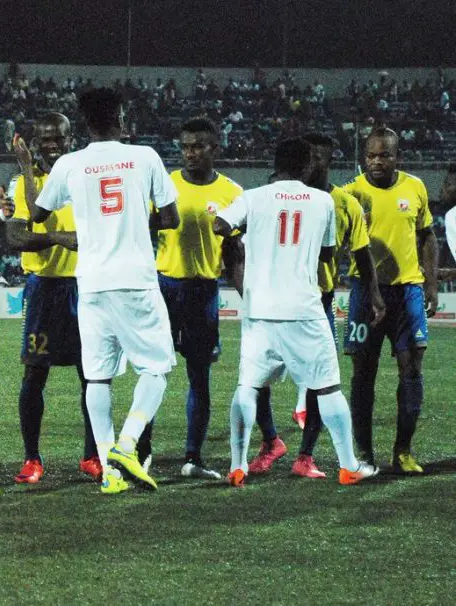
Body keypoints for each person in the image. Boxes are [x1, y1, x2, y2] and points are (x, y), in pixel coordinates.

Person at [32, 88, 180, 495]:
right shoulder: (145, 157)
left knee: (98, 378)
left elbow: (38, 213)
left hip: (91, 281)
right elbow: (171, 217)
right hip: (134, 278)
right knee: (156, 368)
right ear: (121, 118)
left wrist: (28, 170)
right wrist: (134, 219)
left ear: (84, 122)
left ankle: (110, 474)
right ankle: (127, 445)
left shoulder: (69, 163)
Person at [213, 137, 379, 487]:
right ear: (306, 165)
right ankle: (348, 466)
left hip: (260, 310)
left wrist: (248, 235)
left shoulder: (254, 197)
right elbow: (327, 253)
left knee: (248, 387)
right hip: (304, 309)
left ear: (276, 165)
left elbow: (219, 225)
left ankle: (237, 465)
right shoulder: (322, 201)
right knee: (328, 388)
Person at [136, 117, 243, 480]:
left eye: (198, 146)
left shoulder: (232, 192)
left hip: (203, 292)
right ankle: (142, 452)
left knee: (200, 377)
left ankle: (193, 458)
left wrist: (247, 294)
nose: (190, 153)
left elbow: (233, 253)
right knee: (153, 371)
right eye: (185, 147)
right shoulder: (165, 185)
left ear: (215, 148)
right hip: (164, 288)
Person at [6, 113, 100, 485]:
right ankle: (32, 459)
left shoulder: (85, 177)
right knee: (34, 373)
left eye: (58, 137)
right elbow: (16, 237)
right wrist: (60, 238)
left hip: (85, 286)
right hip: (44, 289)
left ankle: (92, 455)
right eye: (44, 138)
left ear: (70, 138)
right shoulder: (23, 183)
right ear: (35, 142)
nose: (51, 144)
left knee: (92, 374)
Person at [343, 128, 438, 473]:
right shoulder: (351, 193)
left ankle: (403, 452)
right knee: (363, 372)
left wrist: (430, 284)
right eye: (371, 155)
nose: (377, 161)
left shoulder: (415, 187)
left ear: (397, 157)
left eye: (384, 155)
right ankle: (364, 455)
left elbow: (427, 236)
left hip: (407, 291)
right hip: (365, 291)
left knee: (412, 368)